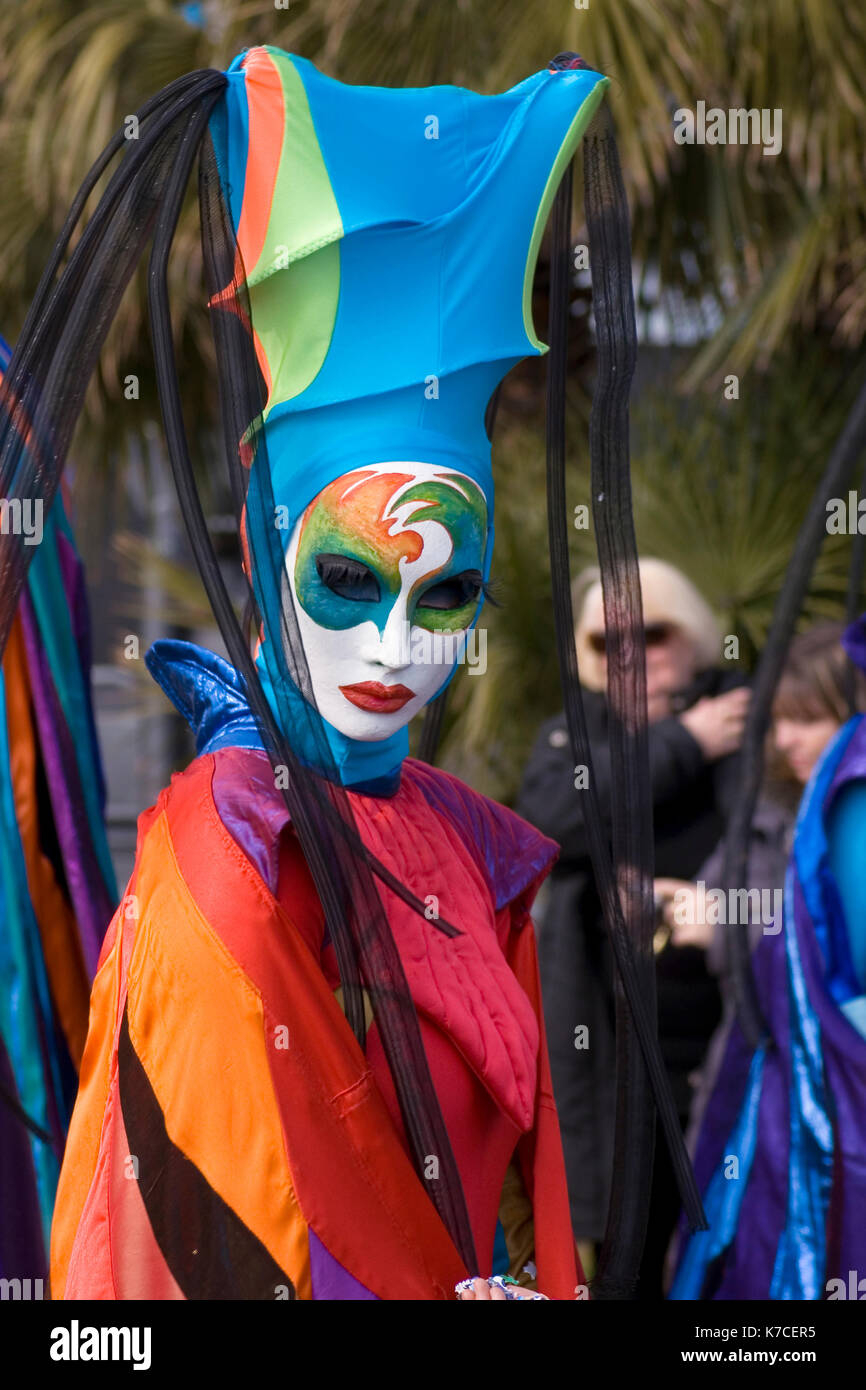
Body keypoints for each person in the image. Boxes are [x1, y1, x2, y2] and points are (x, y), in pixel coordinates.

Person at [0, 45, 640, 1301]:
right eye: (348, 582)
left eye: (446, 593)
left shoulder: (468, 844)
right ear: (262, 543)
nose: (397, 649)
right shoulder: (220, 863)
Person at [516, 557, 750, 1293]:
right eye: (603, 643)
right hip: (614, 1058)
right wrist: (683, 744)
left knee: (739, 1246)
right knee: (626, 1254)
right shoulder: (574, 735)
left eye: (651, 634)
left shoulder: (746, 715)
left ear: (697, 638)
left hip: (730, 1036)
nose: (627, 657)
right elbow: (549, 825)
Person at [669, 619, 866, 1299]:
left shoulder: (843, 804)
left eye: (805, 720)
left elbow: (818, 951)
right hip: (757, 1081)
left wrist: (717, 925)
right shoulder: (777, 802)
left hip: (823, 1103)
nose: (786, 741)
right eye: (778, 722)